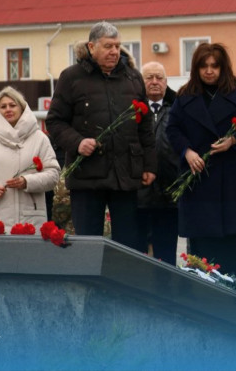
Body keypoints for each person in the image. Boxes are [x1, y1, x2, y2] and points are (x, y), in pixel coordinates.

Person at [46, 21, 157, 249]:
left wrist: (150, 166)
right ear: (91, 47)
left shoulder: (133, 78)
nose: (114, 51)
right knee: (88, 244)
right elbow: (55, 122)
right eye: (108, 46)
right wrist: (77, 142)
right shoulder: (71, 78)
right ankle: (90, 285)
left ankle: (122, 284)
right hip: (87, 176)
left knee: (128, 244)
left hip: (125, 175)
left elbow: (145, 127)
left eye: (117, 46)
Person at [166, 43, 236, 295]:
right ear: (196, 68)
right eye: (204, 66)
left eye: (214, 66)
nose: (209, 71)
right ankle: (204, 297)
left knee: (234, 249)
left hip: (232, 181)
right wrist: (187, 152)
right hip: (199, 182)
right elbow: (172, 129)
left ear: (222, 67)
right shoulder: (185, 95)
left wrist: (233, 141)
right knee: (204, 249)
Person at [0, 87, 61, 230]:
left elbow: (53, 174)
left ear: (22, 108)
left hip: (30, 220)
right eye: (3, 106)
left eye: (12, 105)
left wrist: (27, 182)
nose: (8, 109)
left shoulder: (39, 138)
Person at [134, 62, 180, 265]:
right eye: (149, 78)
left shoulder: (179, 108)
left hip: (169, 195)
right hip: (137, 195)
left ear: (166, 81)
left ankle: (165, 291)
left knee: (166, 254)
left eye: (159, 78)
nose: (154, 82)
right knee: (137, 254)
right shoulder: (131, 108)